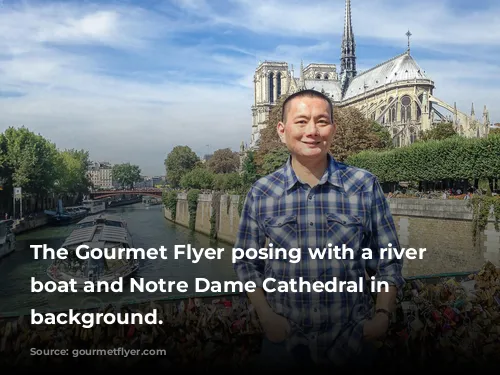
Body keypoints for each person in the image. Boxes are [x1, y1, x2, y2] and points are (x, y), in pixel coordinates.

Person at [233, 89, 404, 371]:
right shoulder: (262, 192)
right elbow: (245, 263)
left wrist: (383, 315)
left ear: (333, 129)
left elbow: (388, 260)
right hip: (285, 347)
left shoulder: (364, 185)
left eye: (322, 121)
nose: (312, 130)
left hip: (353, 345)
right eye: (301, 121)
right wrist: (266, 317)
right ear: (282, 130)